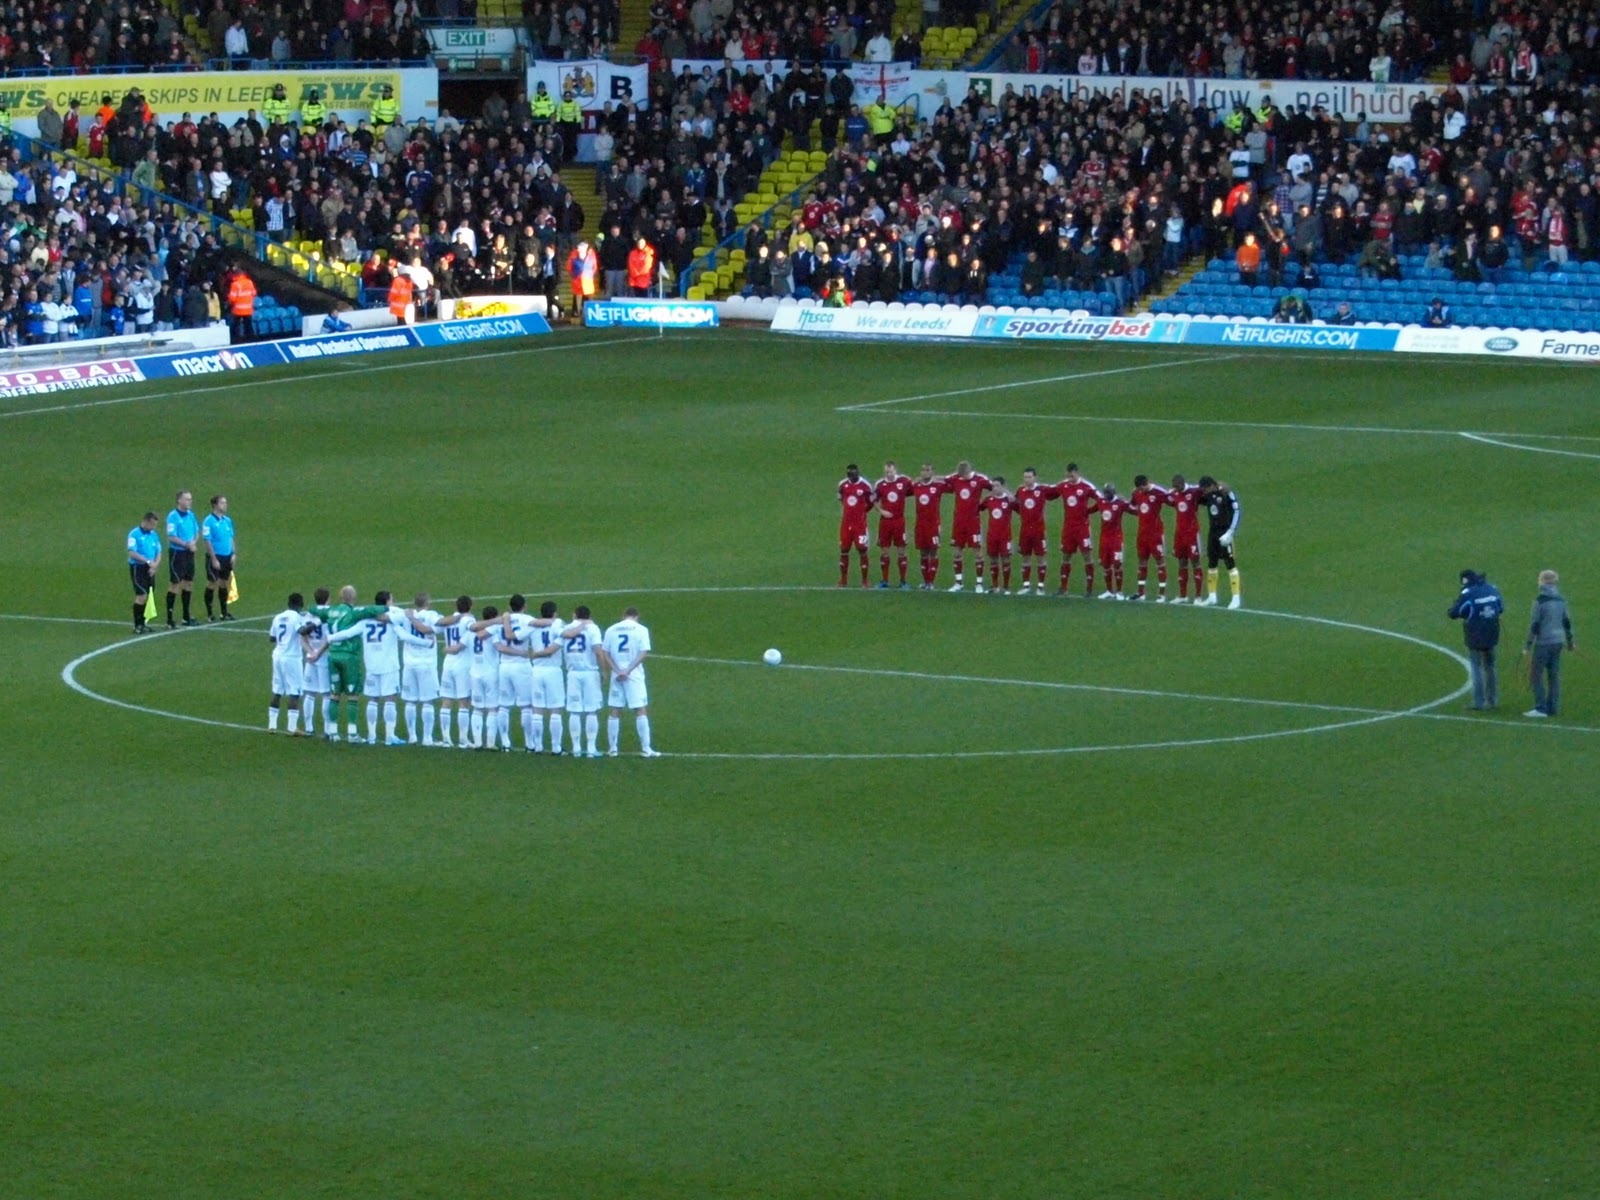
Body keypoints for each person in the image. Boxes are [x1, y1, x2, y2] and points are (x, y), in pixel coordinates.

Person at [317, 591, 408, 745]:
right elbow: (402, 618)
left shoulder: (365, 620)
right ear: (387, 602)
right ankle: (390, 736)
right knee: (390, 699)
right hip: (389, 665)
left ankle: (371, 736)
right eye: (392, 599)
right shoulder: (395, 616)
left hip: (371, 665)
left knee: (373, 699)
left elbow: (348, 633)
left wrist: (331, 637)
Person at [602, 606, 658, 757]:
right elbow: (643, 652)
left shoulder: (611, 629)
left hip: (616, 674)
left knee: (615, 709)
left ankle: (612, 749)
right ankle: (646, 749)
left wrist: (617, 670)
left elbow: (605, 653)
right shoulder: (641, 630)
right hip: (634, 675)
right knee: (640, 709)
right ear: (636, 617)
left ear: (624, 615)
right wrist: (628, 670)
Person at [1522, 570, 1576, 718]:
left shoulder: (1540, 601)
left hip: (1543, 643)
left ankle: (1541, 708)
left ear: (1542, 581)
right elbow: (1567, 622)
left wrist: (1527, 646)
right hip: (1558, 642)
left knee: (1536, 675)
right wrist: (1570, 642)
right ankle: (1553, 707)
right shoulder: (1561, 600)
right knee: (1554, 675)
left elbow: (1535, 625)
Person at [1449, 569, 1504, 710]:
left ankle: (1478, 701)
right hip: (1492, 632)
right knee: (1490, 666)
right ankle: (1492, 700)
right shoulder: (1492, 588)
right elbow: (1500, 607)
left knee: (1476, 667)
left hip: (1475, 634)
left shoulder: (1468, 593)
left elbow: (1455, 612)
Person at [395, 593, 445, 745]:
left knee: (410, 701)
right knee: (428, 701)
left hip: (409, 663)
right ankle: (427, 738)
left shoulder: (405, 616)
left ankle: (412, 736)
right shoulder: (432, 615)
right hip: (427, 663)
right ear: (428, 602)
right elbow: (437, 628)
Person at [267, 594, 315, 735]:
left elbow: (272, 638)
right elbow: (302, 631)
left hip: (277, 656)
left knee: (277, 690)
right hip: (291, 658)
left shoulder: (278, 617)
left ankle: (272, 725)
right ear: (300, 604)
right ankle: (292, 727)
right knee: (294, 691)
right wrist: (315, 624)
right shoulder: (297, 618)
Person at [562, 605, 604, 757]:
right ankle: (591, 748)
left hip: (573, 673)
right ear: (589, 616)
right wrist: (604, 670)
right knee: (591, 711)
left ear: (575, 615)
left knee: (574, 711)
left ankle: (576, 748)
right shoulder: (593, 628)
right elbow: (598, 651)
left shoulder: (567, 627)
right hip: (590, 672)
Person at [944, 460, 993, 592]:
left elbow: (995, 487)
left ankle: (979, 583)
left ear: (968, 471)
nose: (962, 478)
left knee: (977, 552)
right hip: (959, 522)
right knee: (957, 552)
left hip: (973, 522)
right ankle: (958, 583)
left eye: (964, 475)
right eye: (960, 476)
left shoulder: (980, 479)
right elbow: (943, 480)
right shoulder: (956, 477)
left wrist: (985, 501)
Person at [466, 605, 509, 750]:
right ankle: (490, 743)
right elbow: (499, 647)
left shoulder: (471, 631)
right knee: (492, 708)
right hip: (490, 673)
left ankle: (477, 742)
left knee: (477, 708)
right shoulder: (494, 629)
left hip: (475, 672)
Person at [1196, 476, 1242, 608]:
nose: (1204, 492)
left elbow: (1237, 512)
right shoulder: (1208, 495)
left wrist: (1230, 532)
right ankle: (1212, 597)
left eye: (1205, 489)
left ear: (1211, 485)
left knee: (1230, 564)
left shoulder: (1226, 493)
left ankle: (1236, 598)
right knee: (1212, 564)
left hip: (1225, 533)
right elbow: (1195, 495)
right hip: (1213, 533)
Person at [1054, 464, 1099, 596]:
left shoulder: (1086, 486)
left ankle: (1089, 589)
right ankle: (1063, 588)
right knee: (1066, 556)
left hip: (1082, 528)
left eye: (1072, 475)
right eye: (1068, 475)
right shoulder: (1063, 485)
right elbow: (1050, 493)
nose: (1070, 478)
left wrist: (1089, 511)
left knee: (1087, 556)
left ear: (1077, 473)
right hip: (1068, 528)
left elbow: (1101, 499)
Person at [1013, 468, 1057, 595]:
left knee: (1040, 557)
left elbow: (1057, 491)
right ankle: (1026, 586)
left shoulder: (1042, 490)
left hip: (1038, 530)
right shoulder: (1020, 491)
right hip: (1025, 530)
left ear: (1035, 478)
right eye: (1025, 477)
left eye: (1029, 477)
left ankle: (1040, 586)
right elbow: (1016, 505)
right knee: (1025, 557)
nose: (1027, 480)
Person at [1165, 475, 1205, 603]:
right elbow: (1165, 497)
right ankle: (1183, 596)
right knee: (1182, 563)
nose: (1175, 489)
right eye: (1174, 487)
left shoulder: (1193, 491)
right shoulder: (1174, 494)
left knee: (1195, 562)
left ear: (1182, 483)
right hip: (1179, 534)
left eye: (1177, 486)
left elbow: (1205, 488)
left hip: (1192, 533)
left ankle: (1198, 596)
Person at [872, 460, 912, 589]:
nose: (889, 474)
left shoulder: (904, 481)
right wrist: (881, 511)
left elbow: (916, 489)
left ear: (895, 470)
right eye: (887, 472)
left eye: (891, 471)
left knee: (901, 551)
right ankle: (884, 581)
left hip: (899, 521)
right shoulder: (880, 484)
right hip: (885, 522)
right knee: (884, 552)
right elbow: (874, 500)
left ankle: (903, 581)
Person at [1129, 475, 1169, 601]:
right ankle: (1141, 593)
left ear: (1146, 483)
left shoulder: (1158, 492)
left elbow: (1173, 501)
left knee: (1160, 561)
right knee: (1142, 561)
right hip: (1142, 533)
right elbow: (1133, 506)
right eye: (1139, 489)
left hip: (1156, 533)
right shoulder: (1136, 493)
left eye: (1142, 488)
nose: (1141, 491)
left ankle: (1162, 594)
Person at [300, 587, 333, 738]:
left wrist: (311, 652)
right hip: (324, 657)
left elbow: (302, 637)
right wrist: (318, 653)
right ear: (328, 599)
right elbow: (329, 639)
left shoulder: (307, 615)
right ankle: (327, 729)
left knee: (310, 693)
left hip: (310, 657)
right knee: (326, 694)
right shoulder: (329, 614)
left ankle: (309, 728)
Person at [910, 464, 950, 590]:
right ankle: (925, 581)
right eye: (923, 470)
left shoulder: (938, 486)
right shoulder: (916, 485)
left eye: (928, 470)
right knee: (923, 553)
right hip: (920, 525)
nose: (924, 472)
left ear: (932, 472)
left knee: (933, 552)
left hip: (933, 525)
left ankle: (931, 582)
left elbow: (953, 485)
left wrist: (939, 477)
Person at [164, 490, 200, 627]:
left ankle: (186, 616)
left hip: (189, 553)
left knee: (188, 582)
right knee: (175, 584)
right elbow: (171, 536)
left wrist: (193, 543)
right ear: (179, 500)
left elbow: (196, 531)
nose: (189, 502)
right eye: (187, 499)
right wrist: (186, 544)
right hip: (177, 554)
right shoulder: (173, 517)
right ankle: (169, 619)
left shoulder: (191, 515)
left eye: (190, 499)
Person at [837, 463, 875, 588]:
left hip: (860, 524)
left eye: (853, 474)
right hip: (846, 523)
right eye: (849, 474)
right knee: (844, 550)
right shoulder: (843, 485)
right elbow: (840, 498)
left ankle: (865, 580)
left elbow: (871, 502)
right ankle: (843, 580)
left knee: (862, 549)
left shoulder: (865, 485)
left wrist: (862, 512)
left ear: (857, 473)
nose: (851, 476)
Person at [201, 494, 236, 622]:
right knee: (212, 582)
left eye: (225, 503)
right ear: (215, 505)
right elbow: (207, 541)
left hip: (227, 556)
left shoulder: (227, 520)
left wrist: (233, 553)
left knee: (223, 583)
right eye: (222, 503)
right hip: (215, 557)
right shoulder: (208, 521)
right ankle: (210, 614)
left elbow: (231, 537)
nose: (225, 505)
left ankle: (224, 612)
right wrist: (214, 558)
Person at [125, 511, 161, 634]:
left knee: (147, 595)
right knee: (141, 595)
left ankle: (142, 623)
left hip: (150, 568)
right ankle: (137, 625)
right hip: (138, 568)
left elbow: (158, 552)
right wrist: (147, 561)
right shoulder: (134, 534)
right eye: (152, 524)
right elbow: (132, 553)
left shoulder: (154, 535)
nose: (153, 527)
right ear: (145, 521)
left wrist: (154, 566)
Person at [1094, 484, 1131, 599]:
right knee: (1105, 565)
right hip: (1104, 539)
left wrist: (1127, 501)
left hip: (1116, 539)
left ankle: (1119, 592)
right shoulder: (1101, 502)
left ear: (1113, 493)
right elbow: (1091, 510)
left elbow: (1134, 510)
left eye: (1108, 493)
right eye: (1104, 493)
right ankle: (1109, 591)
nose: (1105, 495)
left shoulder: (1120, 503)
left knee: (1117, 565)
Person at [982, 479, 1016, 593]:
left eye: (997, 486)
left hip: (1005, 536)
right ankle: (995, 586)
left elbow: (1020, 508)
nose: (995, 488)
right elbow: (979, 507)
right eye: (993, 486)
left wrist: (1010, 494)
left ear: (1003, 486)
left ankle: (1006, 587)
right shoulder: (989, 500)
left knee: (1006, 560)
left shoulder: (1008, 500)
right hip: (992, 535)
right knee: (993, 560)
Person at [227, 268, 256, 343]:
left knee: (235, 326)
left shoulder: (235, 284)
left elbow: (232, 298)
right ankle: (251, 340)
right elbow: (254, 293)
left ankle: (235, 340)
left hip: (238, 309)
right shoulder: (249, 282)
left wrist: (228, 301)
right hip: (248, 309)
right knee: (248, 326)